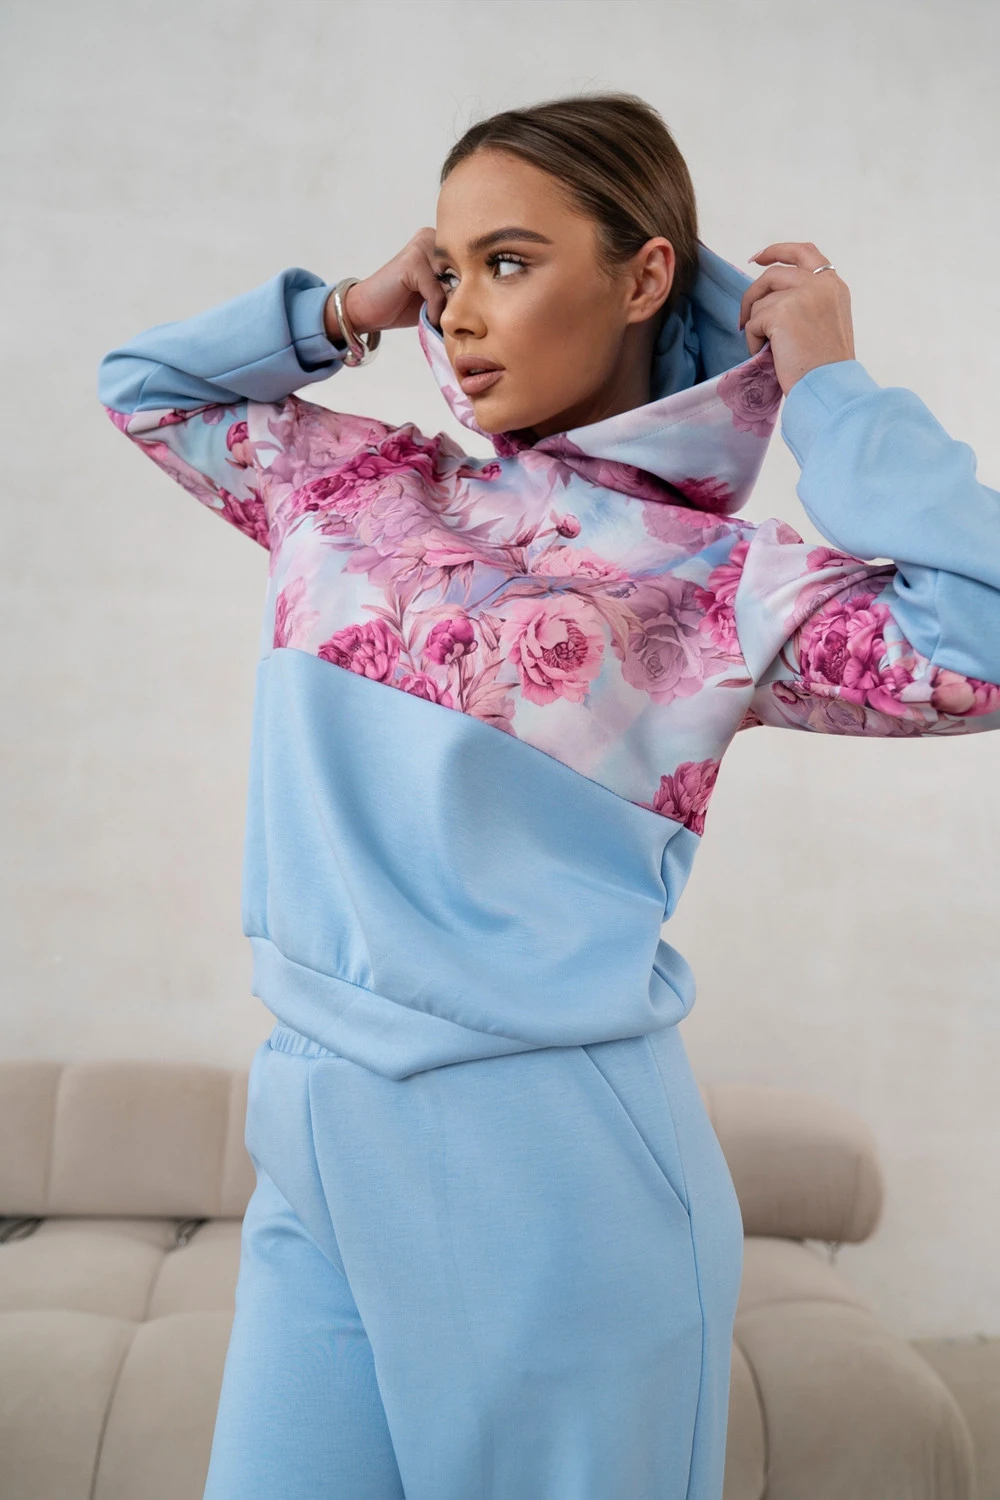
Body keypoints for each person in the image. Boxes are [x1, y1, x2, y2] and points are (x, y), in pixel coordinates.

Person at [96, 91, 1000, 1500]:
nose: (459, 312)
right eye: (447, 267)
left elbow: (979, 642)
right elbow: (146, 385)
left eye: (508, 263)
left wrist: (828, 387)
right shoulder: (355, 487)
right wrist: (347, 307)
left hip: (555, 1179)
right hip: (317, 1135)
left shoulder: (724, 583)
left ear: (644, 278)